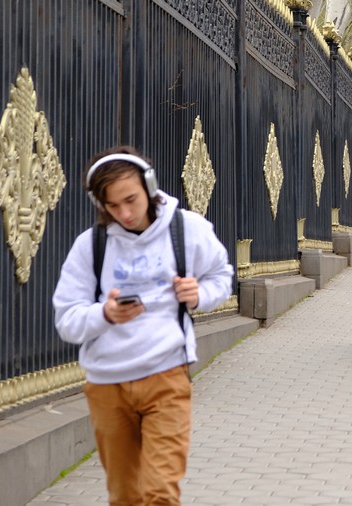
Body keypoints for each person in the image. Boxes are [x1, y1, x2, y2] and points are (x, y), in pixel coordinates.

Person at [52, 146, 234, 504]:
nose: (124, 213)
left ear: (149, 186)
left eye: (131, 200)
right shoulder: (91, 246)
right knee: (124, 495)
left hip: (166, 374)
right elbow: (66, 321)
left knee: (160, 492)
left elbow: (222, 277)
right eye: (112, 205)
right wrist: (105, 314)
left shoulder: (187, 230)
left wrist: (199, 294)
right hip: (107, 384)